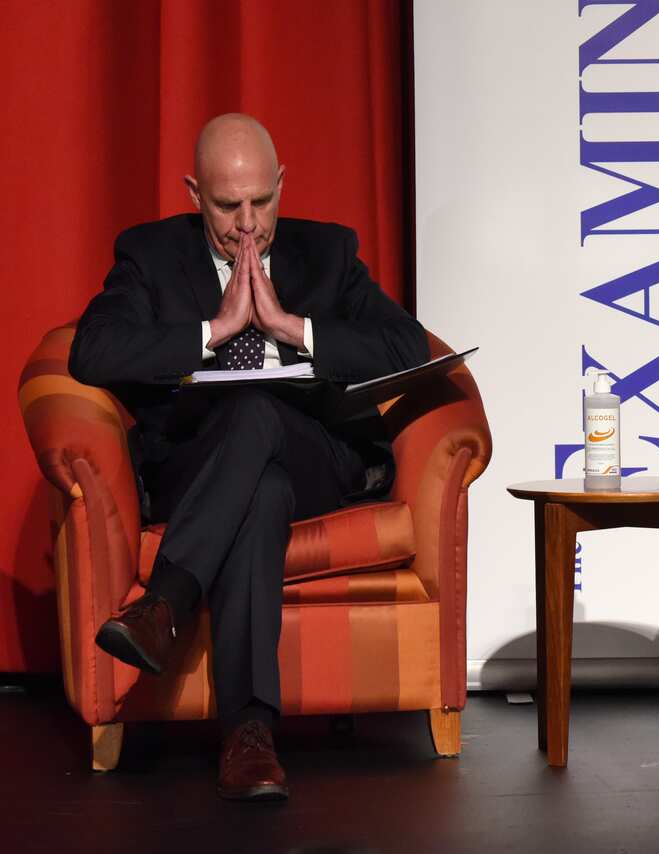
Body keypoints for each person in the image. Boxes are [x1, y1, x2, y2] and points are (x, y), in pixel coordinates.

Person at [69, 114, 430, 802]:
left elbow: (408, 348)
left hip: (315, 458)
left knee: (263, 414)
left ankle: (166, 601)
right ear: (194, 194)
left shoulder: (326, 254)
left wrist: (291, 329)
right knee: (257, 490)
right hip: (198, 469)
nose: (247, 225)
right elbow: (94, 350)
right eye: (227, 206)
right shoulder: (150, 256)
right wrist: (215, 332)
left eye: (261, 202)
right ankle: (249, 738)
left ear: (281, 187)